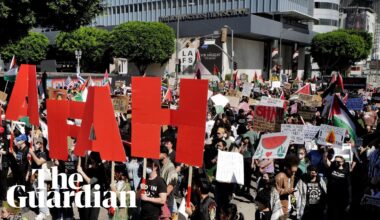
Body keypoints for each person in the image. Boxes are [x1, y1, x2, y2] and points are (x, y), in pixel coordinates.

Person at [77, 152, 108, 220]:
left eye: (92, 161)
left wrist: (81, 172)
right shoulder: (89, 169)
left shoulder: (101, 170)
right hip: (86, 198)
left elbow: (91, 181)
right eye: (91, 161)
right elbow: (84, 181)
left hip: (95, 199)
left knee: (93, 218)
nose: (91, 163)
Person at [323, 153, 351, 220]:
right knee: (330, 215)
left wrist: (349, 200)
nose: (336, 163)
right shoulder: (332, 168)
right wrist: (326, 151)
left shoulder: (346, 170)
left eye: (338, 161)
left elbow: (349, 185)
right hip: (331, 197)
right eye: (335, 161)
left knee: (341, 215)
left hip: (341, 198)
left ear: (342, 162)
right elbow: (325, 160)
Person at [29, 137, 50, 220]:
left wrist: (32, 153)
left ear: (42, 144)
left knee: (42, 194)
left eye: (38, 142)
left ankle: (42, 213)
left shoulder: (45, 153)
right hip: (36, 174)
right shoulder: (37, 152)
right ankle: (46, 210)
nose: (36, 144)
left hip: (42, 175)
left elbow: (38, 162)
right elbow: (33, 163)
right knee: (38, 194)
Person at [275, 155, 299, 220]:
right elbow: (275, 192)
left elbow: (291, 192)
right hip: (280, 208)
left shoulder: (292, 176)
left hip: (288, 207)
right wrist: (288, 191)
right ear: (287, 168)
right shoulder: (280, 177)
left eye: (295, 172)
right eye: (292, 171)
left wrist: (294, 203)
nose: (293, 174)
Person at [160, 146, 178, 218]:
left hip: (167, 202)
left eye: (159, 153)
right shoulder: (162, 165)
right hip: (161, 201)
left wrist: (161, 196)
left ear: (164, 155)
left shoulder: (170, 167)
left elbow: (171, 185)